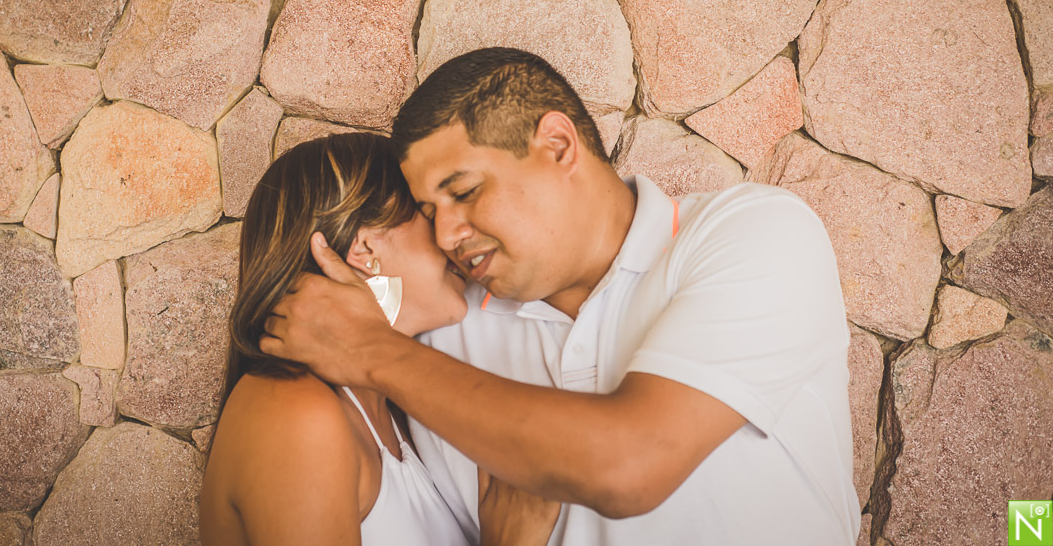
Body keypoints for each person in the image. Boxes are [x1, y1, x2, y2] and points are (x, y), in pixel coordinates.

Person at [261, 48, 862, 545]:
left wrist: (372, 351)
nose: (446, 236)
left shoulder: (749, 234)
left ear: (556, 144)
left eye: (464, 192)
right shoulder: (446, 321)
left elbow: (630, 465)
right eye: (427, 212)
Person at [199, 132, 559, 546]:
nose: (452, 237)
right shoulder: (295, 412)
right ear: (365, 247)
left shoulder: (394, 413)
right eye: (427, 214)